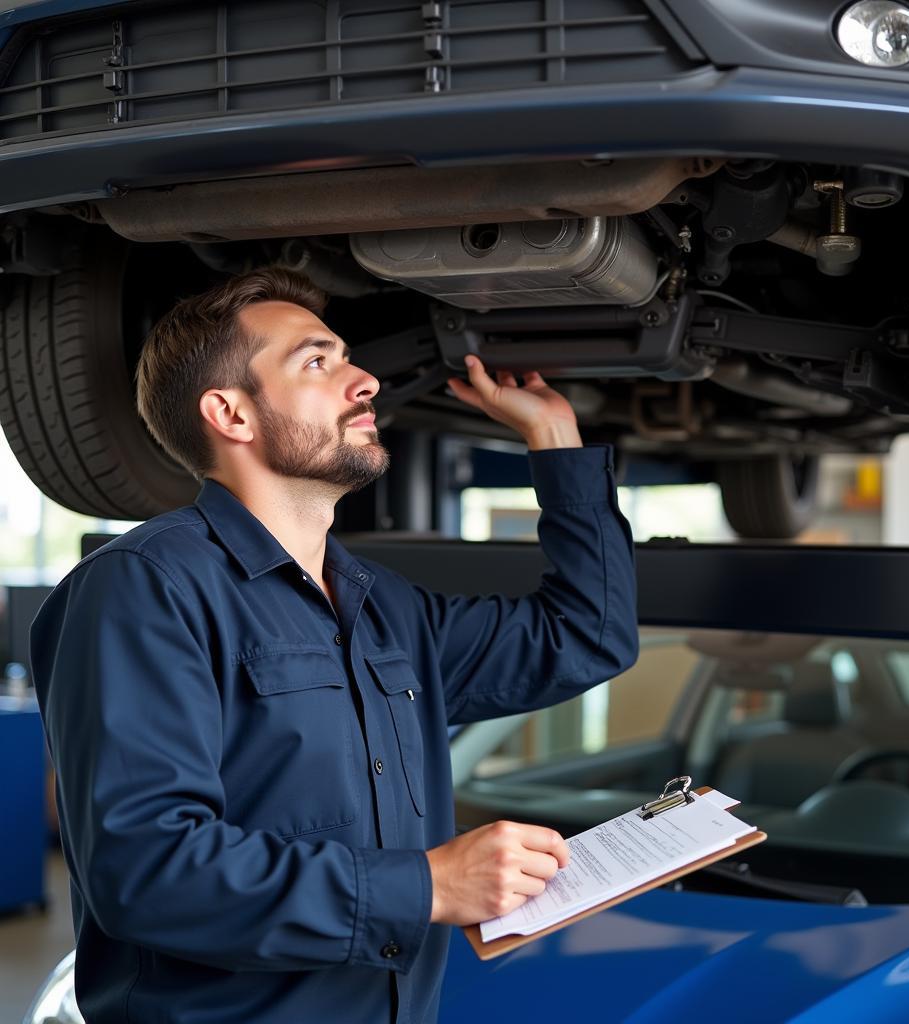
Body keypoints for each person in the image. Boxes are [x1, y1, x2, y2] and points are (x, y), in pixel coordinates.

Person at [30, 267, 639, 1024]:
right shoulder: (144, 589)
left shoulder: (386, 607)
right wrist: (429, 886)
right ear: (231, 413)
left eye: (347, 356)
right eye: (317, 362)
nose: (365, 381)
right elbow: (146, 869)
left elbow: (586, 638)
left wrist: (555, 439)